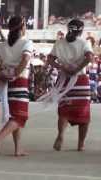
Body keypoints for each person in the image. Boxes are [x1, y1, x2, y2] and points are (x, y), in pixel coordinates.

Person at [0, 16, 33, 156]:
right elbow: (25, 59)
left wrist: (0, 74)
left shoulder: (3, 45)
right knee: (21, 116)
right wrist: (16, 73)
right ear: (22, 27)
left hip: (7, 82)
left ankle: (18, 148)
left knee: (15, 115)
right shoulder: (26, 42)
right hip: (20, 81)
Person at [47, 19, 93, 151]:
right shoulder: (84, 43)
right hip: (80, 80)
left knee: (64, 111)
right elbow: (89, 58)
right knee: (84, 114)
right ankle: (81, 144)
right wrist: (77, 68)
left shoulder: (59, 43)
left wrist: (61, 67)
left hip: (64, 79)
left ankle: (61, 135)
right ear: (81, 30)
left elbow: (50, 59)